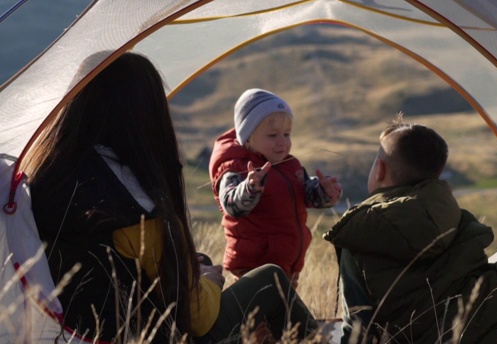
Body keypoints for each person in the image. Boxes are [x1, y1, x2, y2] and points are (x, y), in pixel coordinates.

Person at [24, 52, 318, 343]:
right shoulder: (135, 205)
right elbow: (198, 319)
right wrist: (208, 283)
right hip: (154, 335)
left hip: (71, 332)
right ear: (144, 115)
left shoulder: (46, 177)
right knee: (271, 279)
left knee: (198, 260)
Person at [323, 114, 497, 344]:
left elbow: (357, 324)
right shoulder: (445, 208)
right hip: (481, 327)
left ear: (380, 170)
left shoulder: (360, 228)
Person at [209, 88, 342, 288]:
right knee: (257, 312)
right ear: (248, 138)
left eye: (286, 134)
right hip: (254, 265)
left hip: (287, 263)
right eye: (272, 135)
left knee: (282, 313)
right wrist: (250, 188)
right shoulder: (236, 168)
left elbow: (307, 194)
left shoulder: (290, 166)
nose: (282, 142)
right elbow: (231, 205)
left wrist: (324, 192)